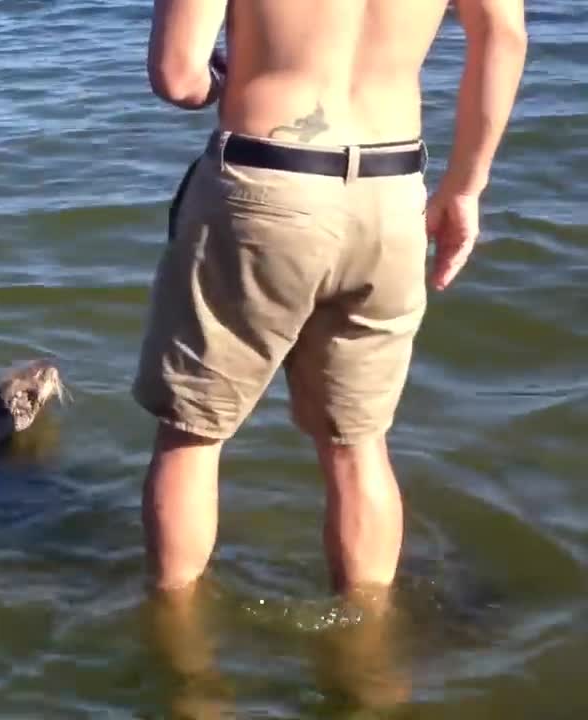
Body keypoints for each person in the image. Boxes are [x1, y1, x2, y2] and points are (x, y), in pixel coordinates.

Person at [134, 0, 527, 599]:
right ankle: (365, 656)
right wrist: (465, 187)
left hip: (265, 182)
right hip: (392, 192)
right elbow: (503, 35)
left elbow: (177, 75)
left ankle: (179, 651)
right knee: (358, 443)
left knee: (193, 434)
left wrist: (220, 78)